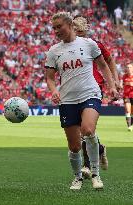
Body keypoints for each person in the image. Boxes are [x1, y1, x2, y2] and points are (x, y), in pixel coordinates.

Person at [45, 12, 118, 190]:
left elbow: (103, 65)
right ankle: (77, 177)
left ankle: (95, 175)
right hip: (67, 100)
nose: (55, 31)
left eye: (58, 26)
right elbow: (50, 77)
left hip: (90, 94)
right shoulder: (54, 51)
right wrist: (54, 91)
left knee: (88, 130)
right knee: (75, 145)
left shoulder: (89, 44)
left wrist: (112, 86)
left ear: (69, 25)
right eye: (53, 28)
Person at [73, 15, 120, 178]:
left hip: (94, 87)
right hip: (75, 90)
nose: (78, 28)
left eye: (81, 25)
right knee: (84, 129)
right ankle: (99, 149)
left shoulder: (95, 45)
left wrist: (115, 81)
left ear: (86, 27)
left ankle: (87, 166)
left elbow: (109, 62)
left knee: (84, 129)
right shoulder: (66, 46)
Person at [122, 63, 133, 131]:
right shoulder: (124, 76)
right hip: (126, 96)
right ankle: (129, 126)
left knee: (132, 112)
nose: (128, 68)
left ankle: (131, 125)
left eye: (130, 67)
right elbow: (122, 84)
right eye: (127, 67)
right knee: (128, 110)